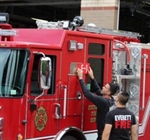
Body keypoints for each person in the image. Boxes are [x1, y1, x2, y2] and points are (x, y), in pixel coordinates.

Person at [76, 67, 120, 140]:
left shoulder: (104, 102)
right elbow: (98, 90)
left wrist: (81, 78)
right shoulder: (110, 100)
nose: (102, 87)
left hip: (103, 136)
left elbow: (87, 94)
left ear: (108, 93)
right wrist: (92, 78)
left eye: (105, 87)